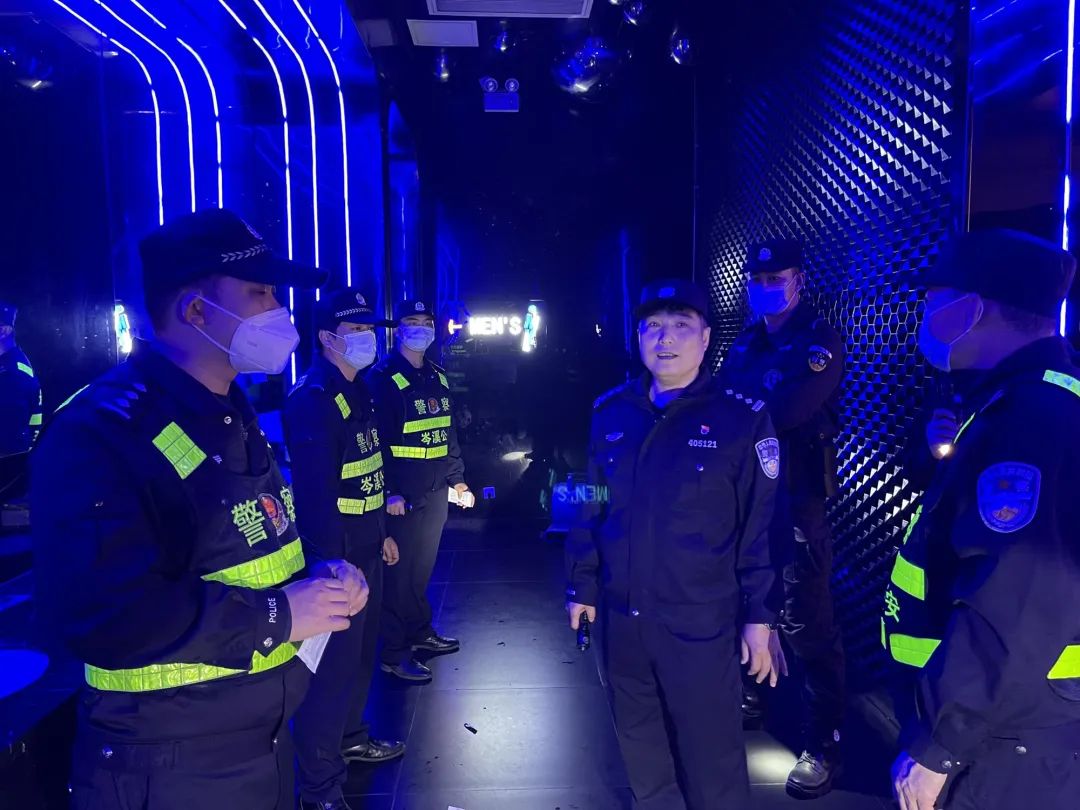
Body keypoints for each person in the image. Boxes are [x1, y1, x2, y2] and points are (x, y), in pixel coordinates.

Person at [32, 209, 369, 809]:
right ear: (195, 310)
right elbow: (106, 616)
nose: (279, 309)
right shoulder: (102, 432)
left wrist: (318, 575)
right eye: (260, 293)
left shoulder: (230, 410)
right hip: (165, 763)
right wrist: (277, 615)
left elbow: (253, 541)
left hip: (259, 743)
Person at [565, 278, 784, 810]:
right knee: (641, 752)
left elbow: (763, 525)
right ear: (638, 337)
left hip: (700, 622)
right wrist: (581, 586)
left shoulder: (742, 417)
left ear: (705, 338)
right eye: (653, 327)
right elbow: (586, 501)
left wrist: (761, 615)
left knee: (713, 762)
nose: (665, 339)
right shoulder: (610, 411)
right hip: (622, 617)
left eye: (681, 326)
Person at [884, 229, 1080, 810]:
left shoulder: (1033, 418)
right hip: (1002, 726)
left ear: (972, 308)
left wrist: (939, 745)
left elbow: (1016, 596)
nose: (925, 316)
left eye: (933, 301)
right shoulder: (1013, 401)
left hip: (1003, 742)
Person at [718, 239, 847, 796]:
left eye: (777, 278)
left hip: (795, 497)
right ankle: (752, 695)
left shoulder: (817, 340)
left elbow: (786, 411)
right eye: (759, 278)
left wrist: (733, 417)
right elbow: (721, 400)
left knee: (805, 620)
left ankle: (824, 743)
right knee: (740, 597)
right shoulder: (747, 341)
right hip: (744, 493)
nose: (766, 286)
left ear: (799, 281)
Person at [285, 289, 406, 810]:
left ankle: (351, 739)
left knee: (358, 660)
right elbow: (316, 496)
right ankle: (319, 788)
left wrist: (382, 534)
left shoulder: (361, 389)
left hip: (367, 547)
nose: (366, 338)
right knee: (330, 674)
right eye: (355, 331)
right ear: (326, 338)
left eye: (368, 330)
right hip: (336, 561)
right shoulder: (312, 399)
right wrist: (332, 567)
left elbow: (368, 473)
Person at [366, 299, 473, 682]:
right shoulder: (382, 378)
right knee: (399, 575)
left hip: (434, 489)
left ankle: (420, 632)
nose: (421, 329)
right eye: (412, 321)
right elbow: (375, 441)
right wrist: (390, 492)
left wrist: (457, 479)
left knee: (421, 570)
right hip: (403, 495)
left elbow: (447, 432)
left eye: (426, 322)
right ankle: (394, 653)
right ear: (398, 329)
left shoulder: (437, 376)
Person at [0, 301, 43, 456]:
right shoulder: (10, 364)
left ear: (3, 331)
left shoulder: (11, 374)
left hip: (7, 461)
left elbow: (8, 433)